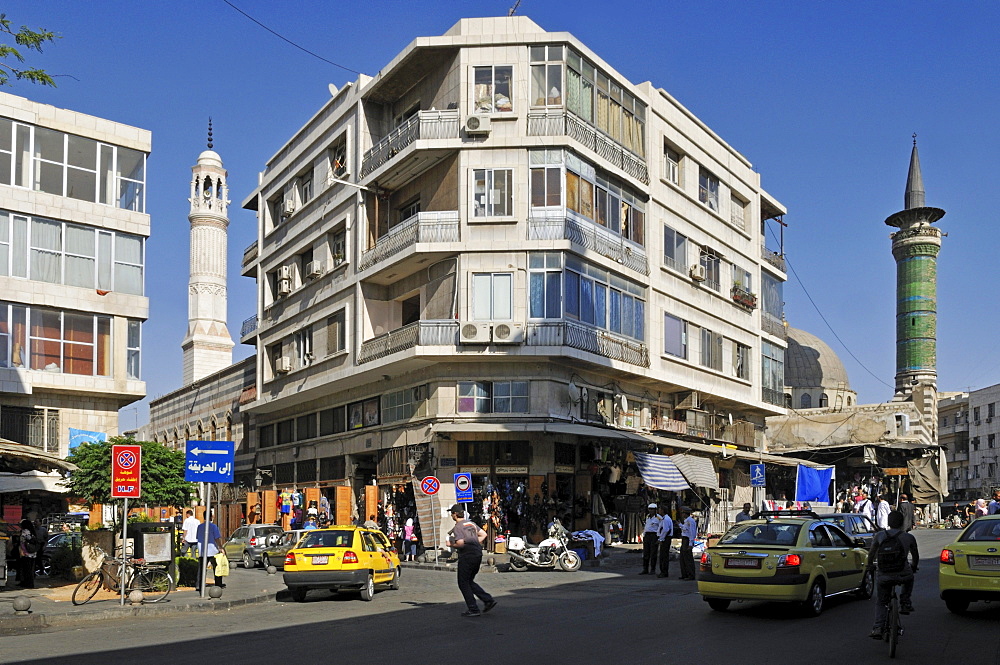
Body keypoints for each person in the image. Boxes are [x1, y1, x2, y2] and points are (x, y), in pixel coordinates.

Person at [867, 510, 918, 639]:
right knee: (910, 578)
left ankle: (878, 627)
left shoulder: (879, 536)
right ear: (902, 523)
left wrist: (870, 565)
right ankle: (905, 602)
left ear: (888, 523)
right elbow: (915, 556)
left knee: (881, 601)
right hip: (903, 573)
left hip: (884, 574)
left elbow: (871, 554)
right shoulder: (908, 537)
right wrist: (914, 567)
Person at [447, 504, 496, 617]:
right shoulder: (471, 523)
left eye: (452, 513)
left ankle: (473, 609)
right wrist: (473, 542)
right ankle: (487, 600)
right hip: (477, 554)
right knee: (469, 581)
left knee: (463, 583)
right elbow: (483, 534)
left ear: (455, 514)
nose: (451, 515)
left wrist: (451, 544)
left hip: (467, 556)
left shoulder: (458, 526)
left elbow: (459, 543)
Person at [196, 511, 227, 590]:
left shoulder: (199, 527)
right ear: (211, 517)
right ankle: (218, 584)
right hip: (213, 550)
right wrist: (220, 547)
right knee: (217, 567)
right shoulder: (213, 526)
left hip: (202, 550)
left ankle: (199, 585)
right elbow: (217, 538)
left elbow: (198, 537)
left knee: (202, 569)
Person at [638, 503, 660, 575]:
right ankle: (645, 569)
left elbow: (662, 527)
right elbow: (646, 526)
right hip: (647, 535)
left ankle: (653, 569)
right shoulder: (647, 517)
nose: (651, 511)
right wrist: (644, 535)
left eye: (652, 509)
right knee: (646, 553)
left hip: (654, 535)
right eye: (650, 509)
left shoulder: (658, 518)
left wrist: (659, 537)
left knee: (653, 553)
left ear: (655, 510)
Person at [17, 519, 38, 589]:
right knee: (30, 569)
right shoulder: (32, 531)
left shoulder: (25, 531)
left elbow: (26, 540)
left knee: (26, 569)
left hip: (25, 553)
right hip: (32, 553)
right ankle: (28, 583)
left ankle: (27, 583)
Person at [678, 508, 698, 580]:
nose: (682, 515)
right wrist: (680, 525)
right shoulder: (686, 521)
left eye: (683, 513)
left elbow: (692, 532)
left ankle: (691, 575)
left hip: (687, 540)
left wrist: (690, 543)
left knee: (688, 558)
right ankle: (685, 574)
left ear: (686, 513)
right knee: (683, 558)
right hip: (684, 539)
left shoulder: (690, 521)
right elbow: (685, 529)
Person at [655, 505, 673, 578]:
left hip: (666, 538)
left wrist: (661, 539)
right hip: (664, 538)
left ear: (662, 510)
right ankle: (663, 571)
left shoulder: (666, 519)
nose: (659, 511)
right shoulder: (664, 518)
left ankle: (664, 572)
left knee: (663, 556)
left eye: (660, 510)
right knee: (662, 556)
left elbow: (665, 530)